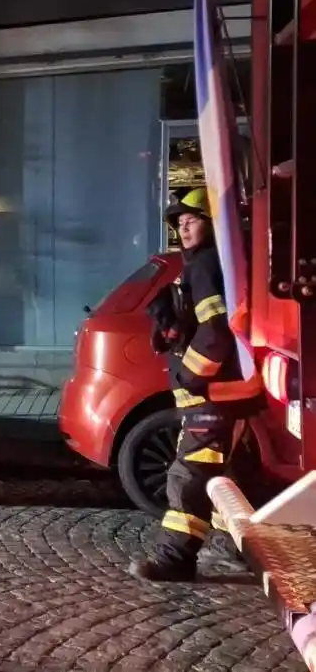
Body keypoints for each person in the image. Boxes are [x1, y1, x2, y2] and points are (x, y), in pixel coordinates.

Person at [130, 187, 265, 582]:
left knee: (188, 475)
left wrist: (192, 374)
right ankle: (232, 548)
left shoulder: (205, 264)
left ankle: (174, 559)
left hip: (213, 394)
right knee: (228, 476)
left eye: (191, 221)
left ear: (212, 224)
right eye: (180, 224)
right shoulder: (217, 262)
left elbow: (217, 330)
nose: (184, 230)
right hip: (229, 393)